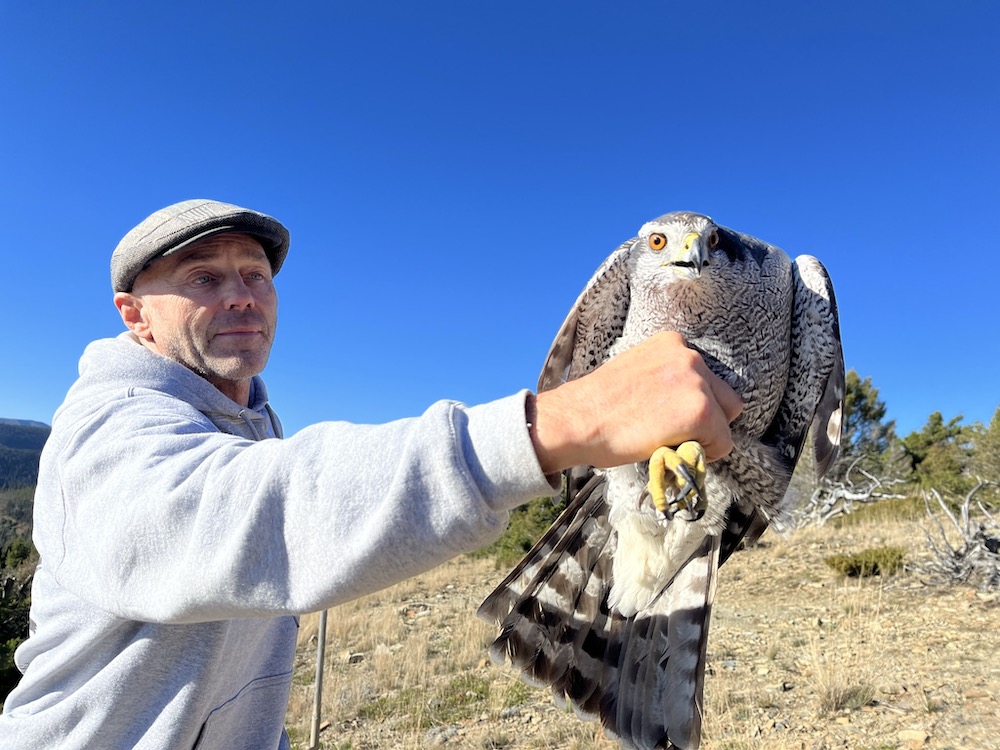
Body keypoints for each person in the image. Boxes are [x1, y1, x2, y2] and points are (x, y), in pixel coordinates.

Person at [0, 199, 742, 748]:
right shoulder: (103, 432)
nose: (240, 295)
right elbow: (242, 516)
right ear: (136, 317)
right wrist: (556, 425)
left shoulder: (251, 423)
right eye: (202, 277)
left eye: (254, 274)